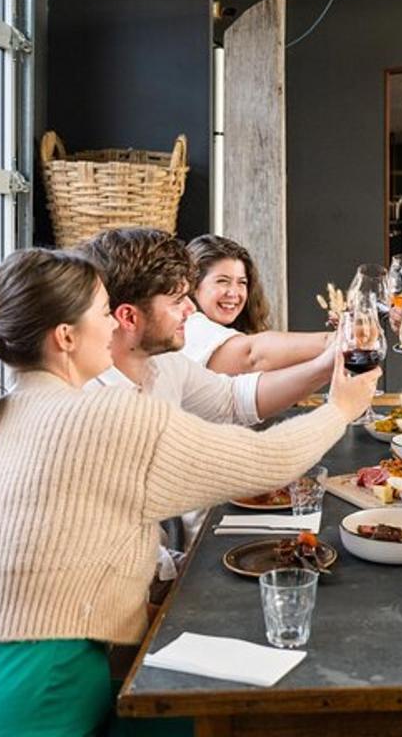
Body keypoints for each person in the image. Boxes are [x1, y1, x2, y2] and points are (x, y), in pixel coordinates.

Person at [0, 248, 378, 737]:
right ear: (66, 337)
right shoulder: (104, 416)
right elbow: (267, 463)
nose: (114, 327)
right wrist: (341, 407)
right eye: (103, 313)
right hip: (32, 705)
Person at [79, 228, 337, 551]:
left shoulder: (164, 364)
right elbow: (262, 458)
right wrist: (341, 406)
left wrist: (325, 366)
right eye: (177, 300)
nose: (190, 309)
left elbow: (233, 398)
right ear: (129, 317)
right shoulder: (94, 404)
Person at [183, 235, 329, 374]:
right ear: (192, 285)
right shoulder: (188, 326)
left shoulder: (235, 333)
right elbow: (252, 355)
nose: (234, 293)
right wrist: (333, 341)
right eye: (222, 281)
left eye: (242, 283)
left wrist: (340, 355)